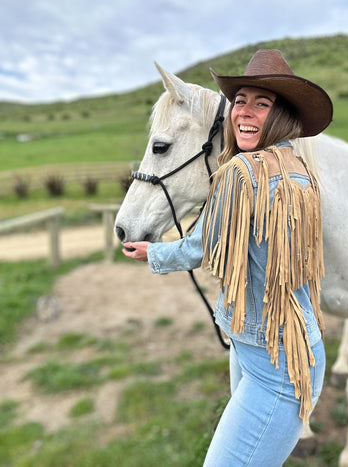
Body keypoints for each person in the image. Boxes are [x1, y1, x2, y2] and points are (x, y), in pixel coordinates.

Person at [122, 49, 333, 466]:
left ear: (281, 115)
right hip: (279, 344)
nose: (245, 112)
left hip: (276, 366)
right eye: (240, 101)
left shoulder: (241, 173)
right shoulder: (299, 169)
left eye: (262, 103)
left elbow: (200, 246)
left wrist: (153, 253)